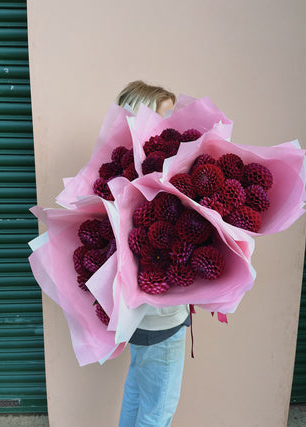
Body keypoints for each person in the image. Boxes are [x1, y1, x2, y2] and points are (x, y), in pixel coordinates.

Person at [117, 80, 191, 427]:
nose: (170, 125)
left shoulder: (119, 173)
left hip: (139, 318)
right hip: (161, 318)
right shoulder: (152, 182)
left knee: (137, 393)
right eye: (164, 117)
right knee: (158, 410)